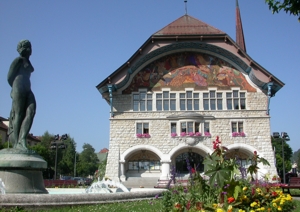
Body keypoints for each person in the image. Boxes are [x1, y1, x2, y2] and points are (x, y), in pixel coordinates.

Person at [7, 40, 36, 150]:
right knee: (18, 114)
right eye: (25, 47)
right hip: (18, 86)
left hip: (28, 89)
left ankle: (22, 138)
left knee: (31, 111)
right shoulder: (18, 60)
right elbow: (9, 76)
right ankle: (17, 144)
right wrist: (13, 89)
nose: (28, 49)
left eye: (29, 46)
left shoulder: (28, 62)